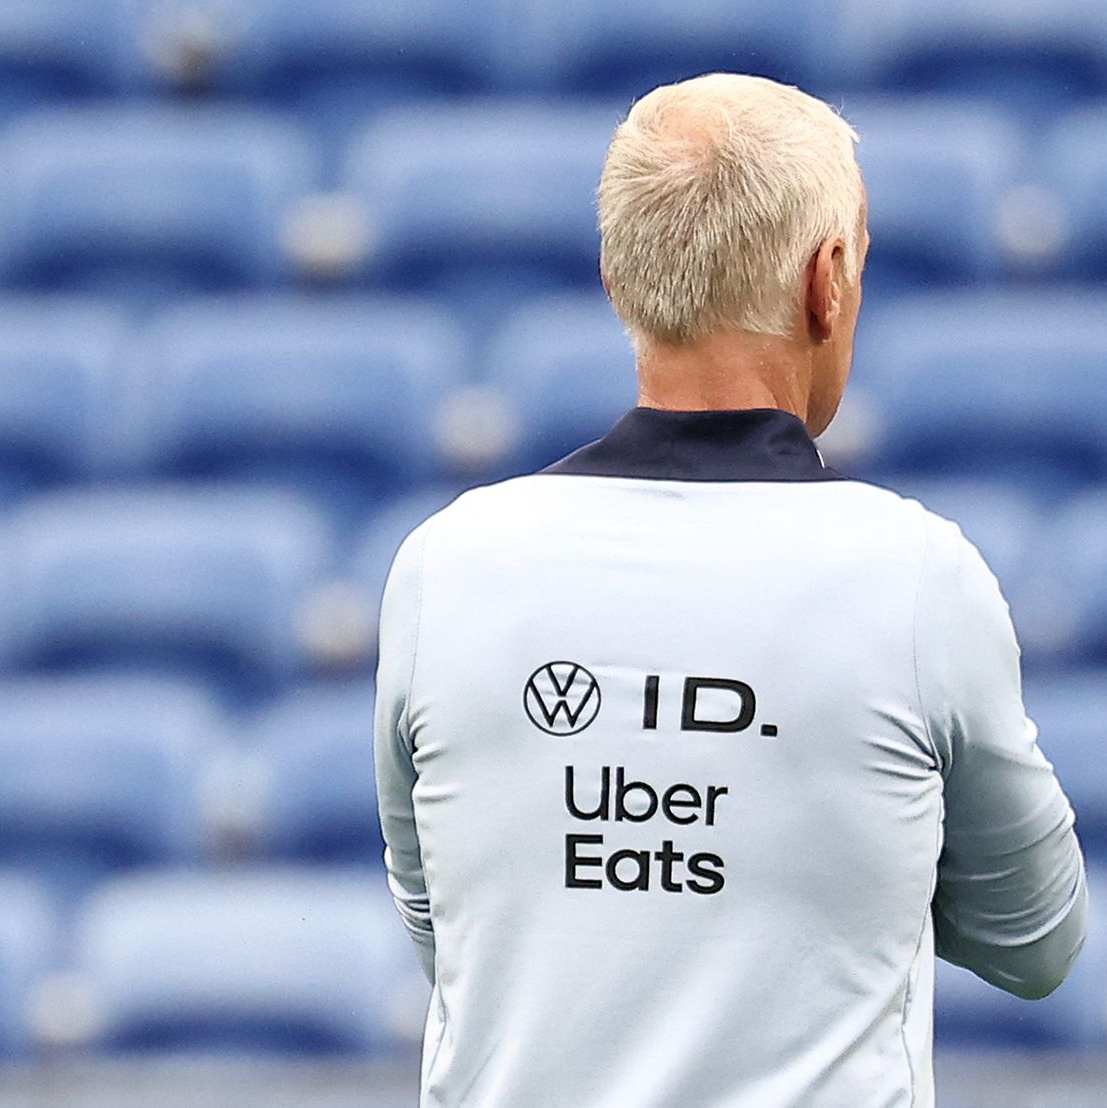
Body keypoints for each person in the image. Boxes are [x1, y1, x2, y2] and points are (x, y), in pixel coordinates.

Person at [374, 73, 1087, 1107]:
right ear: (826, 280)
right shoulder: (917, 577)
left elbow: (449, 928)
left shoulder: (445, 564)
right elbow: (1037, 938)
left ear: (619, 279)